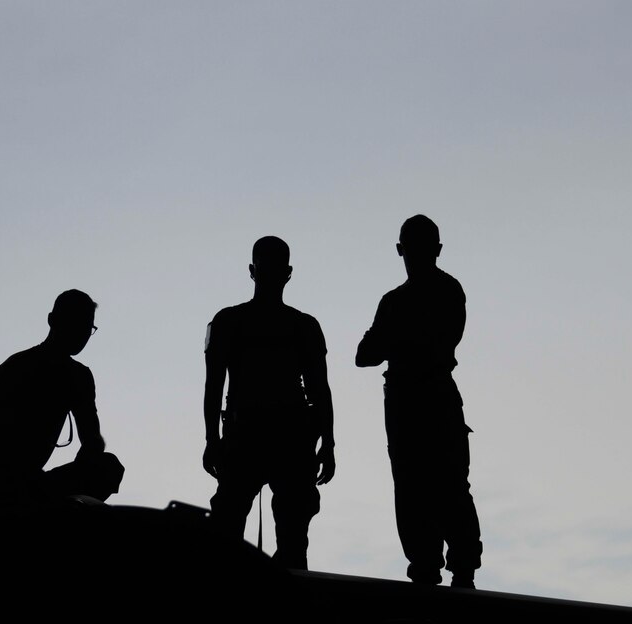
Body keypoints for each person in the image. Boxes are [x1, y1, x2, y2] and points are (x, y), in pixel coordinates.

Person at [356, 214, 482, 587]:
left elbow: (429, 342)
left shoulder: (432, 295)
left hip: (427, 399)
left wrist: (394, 340)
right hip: (410, 403)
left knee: (445, 485)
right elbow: (364, 354)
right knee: (415, 489)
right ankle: (432, 567)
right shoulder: (398, 300)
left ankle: (458, 566)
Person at [203, 236, 336, 570]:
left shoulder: (230, 321)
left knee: (253, 536)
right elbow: (320, 390)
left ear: (252, 271)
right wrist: (328, 444)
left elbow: (214, 386)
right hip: (275, 437)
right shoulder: (301, 326)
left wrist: (212, 440)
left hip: (263, 436)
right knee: (276, 541)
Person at [0, 289, 124, 526]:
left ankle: (45, 516)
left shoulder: (78, 377)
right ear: (53, 321)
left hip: (31, 488)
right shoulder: (17, 368)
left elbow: (93, 441)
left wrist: (85, 464)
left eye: (88, 327)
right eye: (77, 323)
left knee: (107, 468)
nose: (83, 334)